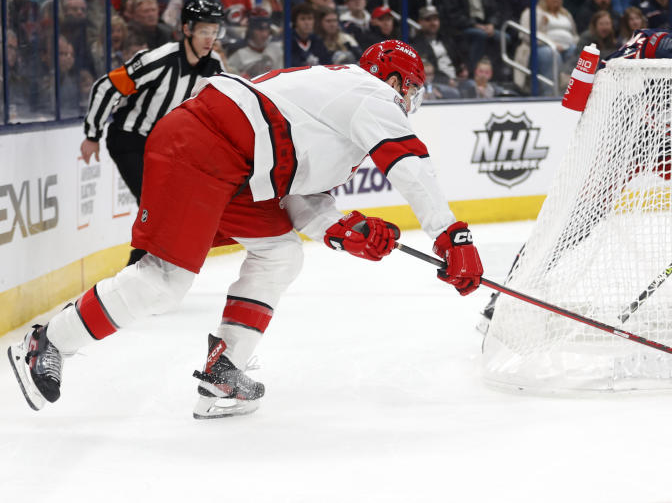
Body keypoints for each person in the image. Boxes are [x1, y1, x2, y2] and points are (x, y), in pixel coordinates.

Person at [8, 39, 485, 418]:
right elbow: (410, 164)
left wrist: (342, 228)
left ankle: (225, 369)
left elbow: (299, 194)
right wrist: (452, 236)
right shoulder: (369, 92)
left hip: (240, 169)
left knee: (281, 253)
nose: (409, 103)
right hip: (204, 145)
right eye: (412, 92)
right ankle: (48, 341)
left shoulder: (335, 104)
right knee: (164, 281)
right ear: (398, 81)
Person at [482, 7, 672, 327]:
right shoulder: (661, 47)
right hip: (635, 139)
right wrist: (657, 44)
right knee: (581, 213)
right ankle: (511, 286)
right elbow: (617, 58)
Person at [80, 0, 226, 267]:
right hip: (129, 139)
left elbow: (217, 108)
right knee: (155, 203)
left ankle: (144, 267)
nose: (210, 38)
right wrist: (92, 134)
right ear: (187, 29)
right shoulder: (158, 60)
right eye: (205, 31)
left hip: (168, 147)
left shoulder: (214, 65)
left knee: (171, 205)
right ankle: (137, 269)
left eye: (215, 32)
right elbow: (106, 86)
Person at [227, 13, 283, 78]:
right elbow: (230, 76)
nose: (264, 34)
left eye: (267, 29)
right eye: (260, 30)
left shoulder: (276, 49)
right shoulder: (238, 51)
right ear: (251, 31)